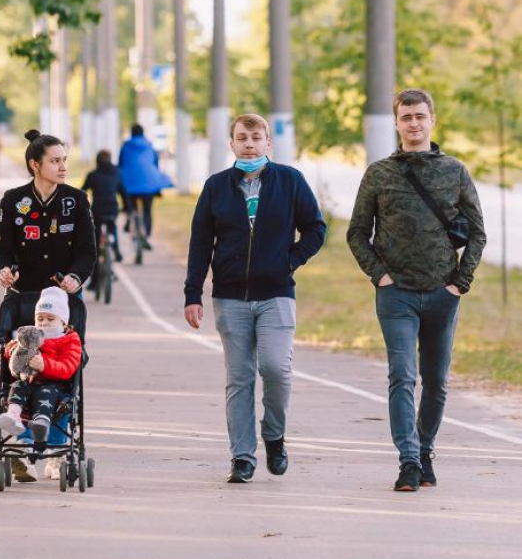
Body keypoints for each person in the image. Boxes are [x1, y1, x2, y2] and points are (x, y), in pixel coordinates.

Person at [346, 88, 486, 492]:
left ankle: (425, 449)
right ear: (396, 123)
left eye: (420, 116)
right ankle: (408, 461)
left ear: (432, 121)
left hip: (443, 293)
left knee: (437, 382)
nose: (413, 123)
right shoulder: (379, 173)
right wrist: (380, 276)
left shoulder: (454, 171)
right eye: (406, 117)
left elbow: (477, 233)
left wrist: (461, 283)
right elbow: (357, 233)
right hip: (397, 294)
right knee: (401, 376)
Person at [184, 113, 326, 484]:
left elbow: (315, 228)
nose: (249, 143)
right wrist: (193, 293)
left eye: (256, 137)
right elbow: (201, 242)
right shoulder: (216, 187)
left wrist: (289, 261)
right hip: (230, 297)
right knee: (240, 377)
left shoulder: (290, 180)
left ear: (268, 143)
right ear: (231, 144)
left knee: (277, 369)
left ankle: (274, 436)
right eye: (242, 137)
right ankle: (242, 457)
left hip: (276, 294)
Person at [0, 128, 96, 480]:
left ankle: (54, 450)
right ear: (35, 165)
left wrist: (76, 278)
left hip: (62, 303)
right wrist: (2, 269)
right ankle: (18, 448)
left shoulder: (76, 200)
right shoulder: (13, 200)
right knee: (20, 373)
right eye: (55, 161)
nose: (63, 166)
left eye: (64, 160)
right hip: (23, 302)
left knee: (62, 372)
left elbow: (87, 252)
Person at [0, 286, 82, 449]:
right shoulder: (30, 334)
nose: (44, 323)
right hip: (28, 382)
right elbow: (9, 349)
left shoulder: (69, 339)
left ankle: (41, 424)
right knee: (16, 387)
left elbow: (68, 367)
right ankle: (13, 416)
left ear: (63, 322)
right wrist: (16, 351)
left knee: (46, 393)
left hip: (54, 387)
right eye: (40, 318)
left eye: (51, 319)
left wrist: (44, 365)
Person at [117, 123, 173, 247]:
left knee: (128, 199)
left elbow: (120, 164)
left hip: (129, 185)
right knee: (147, 210)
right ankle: (146, 236)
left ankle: (129, 214)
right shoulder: (150, 146)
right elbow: (155, 164)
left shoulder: (125, 146)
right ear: (143, 133)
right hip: (149, 184)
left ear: (131, 133)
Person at [81, 149, 125, 263]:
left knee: (96, 230)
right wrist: (127, 207)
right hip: (112, 209)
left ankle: (95, 254)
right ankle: (116, 250)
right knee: (112, 226)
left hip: (98, 210)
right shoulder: (117, 173)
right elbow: (123, 192)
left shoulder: (92, 175)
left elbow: (83, 191)